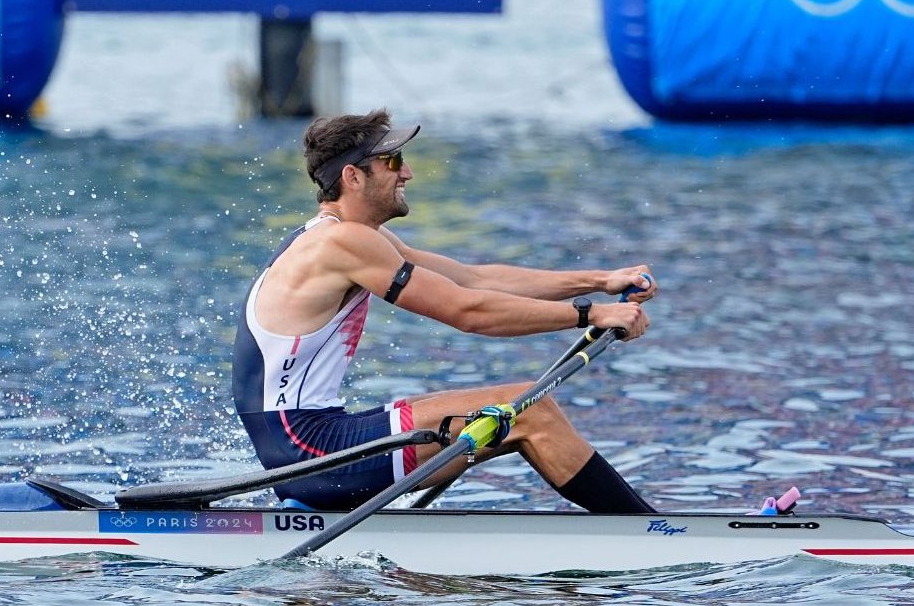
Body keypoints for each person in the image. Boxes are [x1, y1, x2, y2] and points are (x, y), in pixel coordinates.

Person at [231, 109, 657, 513]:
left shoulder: (345, 237)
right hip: (310, 451)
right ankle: (653, 534)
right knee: (529, 409)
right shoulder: (340, 244)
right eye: (393, 161)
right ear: (352, 176)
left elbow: (473, 280)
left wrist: (601, 281)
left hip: (305, 445)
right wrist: (590, 315)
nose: (408, 172)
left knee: (513, 412)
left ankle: (641, 529)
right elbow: (468, 312)